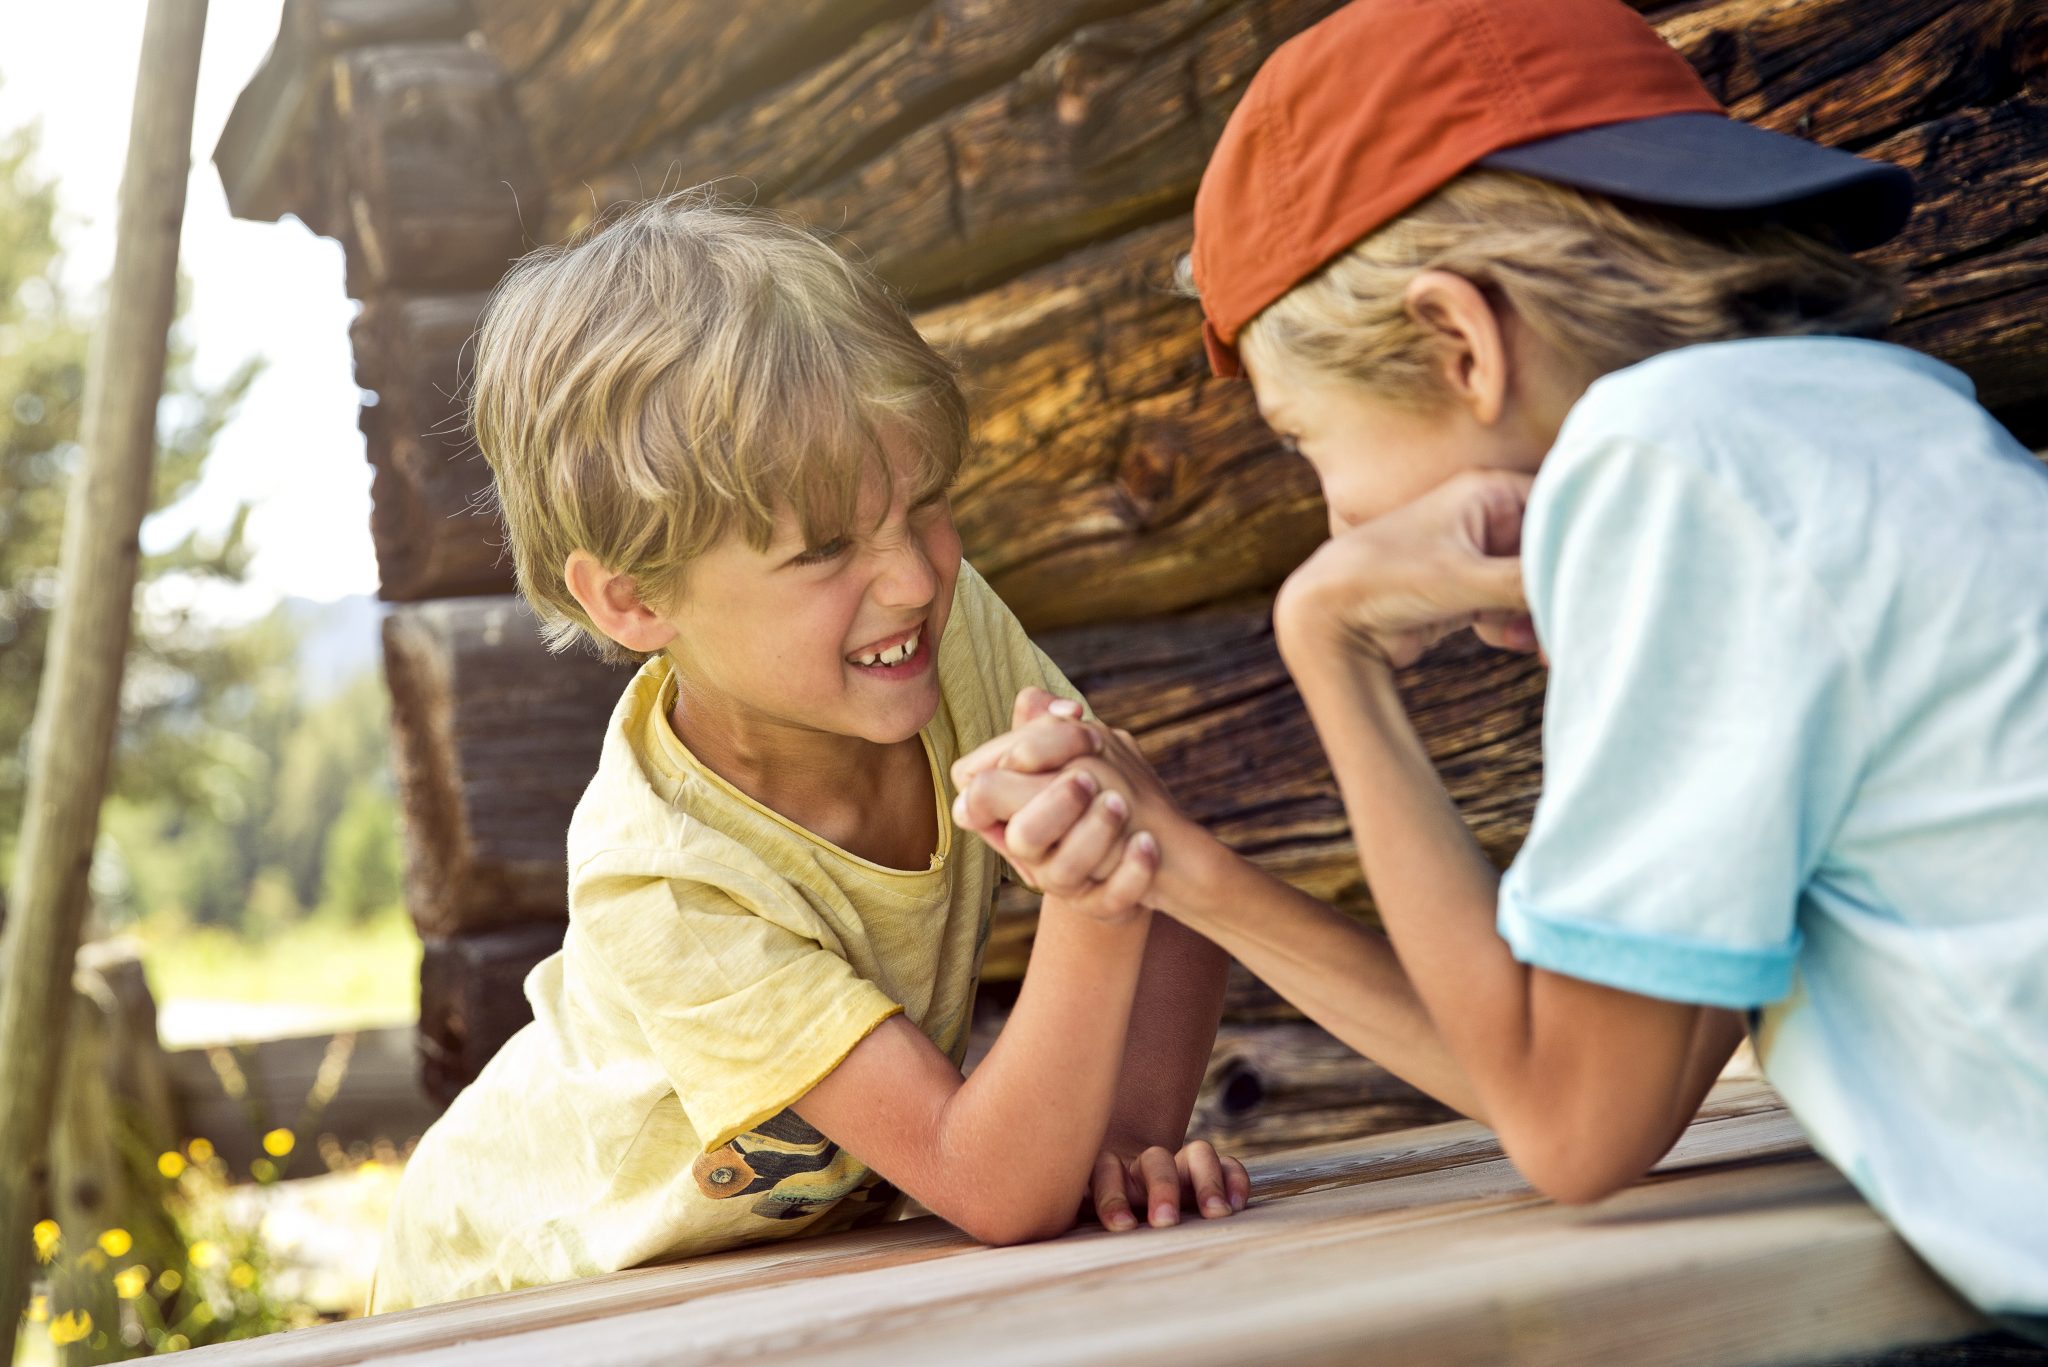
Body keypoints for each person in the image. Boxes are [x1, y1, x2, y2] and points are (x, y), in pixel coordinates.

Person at [953, 0, 2048, 1327]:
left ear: (1460, 343)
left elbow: (1571, 1128)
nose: (1336, 525)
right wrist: (1184, 868)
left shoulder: (1669, 470)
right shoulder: (1865, 422)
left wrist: (1327, 643)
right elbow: (1581, 1072)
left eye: (1305, 442)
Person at [369, 195, 1246, 1313]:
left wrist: (1119, 1150)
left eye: (924, 505)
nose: (913, 578)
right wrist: (1094, 891)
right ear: (632, 598)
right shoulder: (665, 879)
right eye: (826, 546)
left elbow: (1164, 875)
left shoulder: (944, 635)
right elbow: (989, 1177)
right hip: (510, 1296)